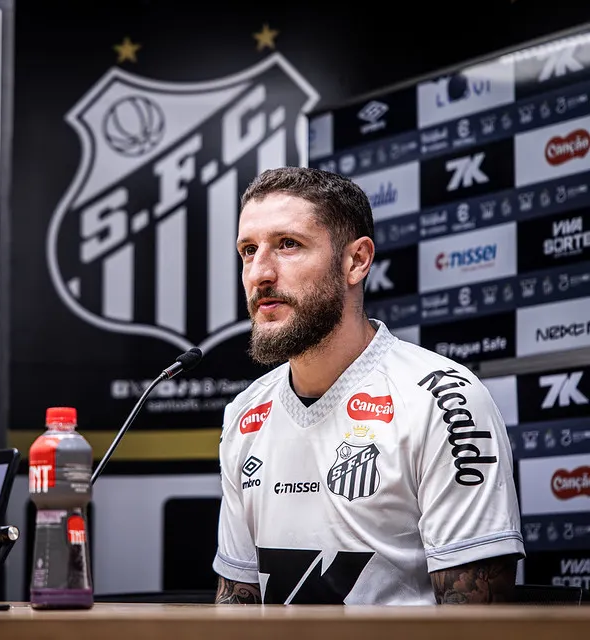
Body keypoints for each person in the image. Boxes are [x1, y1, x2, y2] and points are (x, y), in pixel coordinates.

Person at [212, 166, 525, 605]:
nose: (259, 273)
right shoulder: (245, 413)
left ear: (356, 261)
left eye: (288, 245)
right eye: (248, 250)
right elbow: (235, 608)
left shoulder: (446, 401)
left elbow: (476, 626)